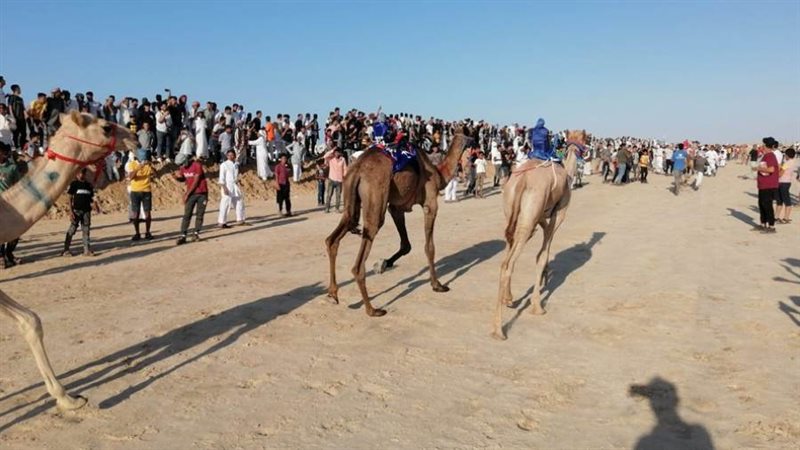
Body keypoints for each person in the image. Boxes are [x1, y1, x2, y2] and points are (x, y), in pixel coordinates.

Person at [61, 168, 99, 256]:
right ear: (77, 174)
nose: (81, 175)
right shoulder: (74, 184)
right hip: (76, 211)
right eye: (79, 173)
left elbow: (91, 198)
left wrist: (95, 205)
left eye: (82, 173)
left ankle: (86, 250)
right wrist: (71, 211)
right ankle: (66, 249)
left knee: (86, 230)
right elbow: (70, 198)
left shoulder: (88, 185)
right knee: (72, 229)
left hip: (86, 211)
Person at [173, 154, 208, 244]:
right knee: (187, 215)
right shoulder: (183, 168)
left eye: (182, 164)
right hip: (191, 194)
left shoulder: (197, 165)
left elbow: (196, 181)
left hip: (201, 193)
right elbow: (185, 179)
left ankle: (196, 233)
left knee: (200, 214)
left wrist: (187, 194)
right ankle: (183, 235)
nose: (181, 166)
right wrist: (177, 178)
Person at [126, 148, 155, 240]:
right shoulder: (132, 164)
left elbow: (154, 174)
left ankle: (147, 232)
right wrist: (139, 167)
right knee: (136, 213)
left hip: (146, 190)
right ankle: (137, 233)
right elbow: (130, 177)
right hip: (135, 191)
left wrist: (151, 166)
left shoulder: (148, 165)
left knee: (147, 213)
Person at [0, 142, 22, 267]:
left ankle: (9, 254)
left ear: (3, 153)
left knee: (16, 231)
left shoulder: (12, 168)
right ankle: (1, 256)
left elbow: (18, 185)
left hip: (11, 204)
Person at [755, 138, 780, 233]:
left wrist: (758, 169)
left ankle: (771, 226)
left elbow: (771, 169)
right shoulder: (766, 156)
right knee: (762, 204)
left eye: (763, 145)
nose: (762, 146)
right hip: (763, 185)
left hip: (768, 185)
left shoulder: (770, 156)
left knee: (767, 205)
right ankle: (763, 224)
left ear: (766, 146)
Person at [218, 149, 246, 228]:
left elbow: (235, 176)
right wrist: (224, 187)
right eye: (229, 155)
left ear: (234, 156)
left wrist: (239, 182)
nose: (230, 156)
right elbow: (221, 178)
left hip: (235, 186)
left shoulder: (236, 164)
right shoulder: (224, 164)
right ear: (227, 156)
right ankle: (222, 222)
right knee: (225, 204)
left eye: (232, 155)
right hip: (227, 186)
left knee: (239, 202)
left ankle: (240, 219)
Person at [776, 147, 797, 224]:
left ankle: (784, 218)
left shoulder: (787, 163)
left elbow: (781, 173)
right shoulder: (793, 162)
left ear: (787, 155)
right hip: (786, 182)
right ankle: (780, 217)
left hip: (782, 182)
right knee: (781, 200)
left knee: (784, 201)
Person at [324, 146, 347, 213]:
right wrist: (332, 150)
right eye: (335, 152)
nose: (336, 154)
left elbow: (345, 169)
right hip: (332, 179)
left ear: (340, 153)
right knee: (329, 195)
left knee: (338, 196)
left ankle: (337, 208)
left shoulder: (343, 159)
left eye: (337, 152)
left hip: (339, 180)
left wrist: (345, 177)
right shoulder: (331, 158)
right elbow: (325, 156)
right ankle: (327, 208)